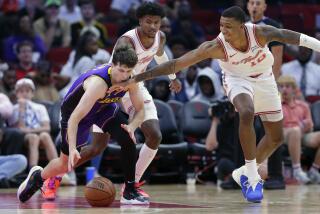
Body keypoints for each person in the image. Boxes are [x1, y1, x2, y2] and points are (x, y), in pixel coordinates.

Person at [112, 6, 320, 203]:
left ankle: (243, 173)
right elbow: (176, 63)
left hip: (265, 78)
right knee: (246, 112)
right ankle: (252, 177)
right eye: (221, 25)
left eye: (228, 26)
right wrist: (138, 77)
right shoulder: (216, 46)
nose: (223, 30)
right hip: (236, 79)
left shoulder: (259, 33)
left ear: (242, 26)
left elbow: (291, 36)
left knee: (276, 138)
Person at [17, 46, 148, 205]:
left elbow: (140, 110)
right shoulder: (98, 84)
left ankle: (129, 190)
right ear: (112, 65)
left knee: (127, 138)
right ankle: (39, 176)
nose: (124, 76)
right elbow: (75, 118)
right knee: (64, 164)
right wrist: (72, 148)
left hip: (103, 108)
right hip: (76, 113)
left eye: (128, 71)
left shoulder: (130, 79)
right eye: (121, 70)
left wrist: (132, 126)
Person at [93, 2, 181, 200]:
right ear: (140, 21)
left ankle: (131, 186)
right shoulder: (127, 41)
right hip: (111, 87)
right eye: (148, 22)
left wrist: (173, 78)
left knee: (155, 135)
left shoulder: (161, 37)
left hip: (135, 86)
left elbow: (160, 55)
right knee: (96, 148)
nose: (152, 26)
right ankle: (52, 177)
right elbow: (122, 76)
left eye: (156, 22)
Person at [247, 0, 285, 189]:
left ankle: (276, 175)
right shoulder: (240, 26)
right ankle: (243, 174)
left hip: (266, 82)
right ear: (247, 6)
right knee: (244, 127)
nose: (254, 6)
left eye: (258, 3)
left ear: (264, 7)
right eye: (252, 2)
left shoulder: (273, 26)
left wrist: (274, 83)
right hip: (245, 83)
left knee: (272, 130)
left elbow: (277, 56)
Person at [8, 78, 58, 170]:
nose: (25, 94)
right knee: (33, 137)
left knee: (45, 135)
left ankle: (57, 168)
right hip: (22, 137)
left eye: (27, 91)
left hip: (38, 133)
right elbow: (19, 128)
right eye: (21, 91)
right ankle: (33, 171)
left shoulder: (40, 107)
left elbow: (47, 128)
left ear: (32, 93)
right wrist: (21, 110)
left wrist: (30, 130)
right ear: (16, 94)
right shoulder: (12, 109)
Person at [278, 75, 320, 184]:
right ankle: (297, 170)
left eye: (287, 86)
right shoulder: (277, 105)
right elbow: (276, 125)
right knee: (295, 130)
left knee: (299, 131)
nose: (284, 89)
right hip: (284, 133)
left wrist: (306, 126)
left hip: (302, 133)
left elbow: (310, 125)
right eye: (281, 86)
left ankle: (314, 170)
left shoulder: (304, 105)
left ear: (294, 89)